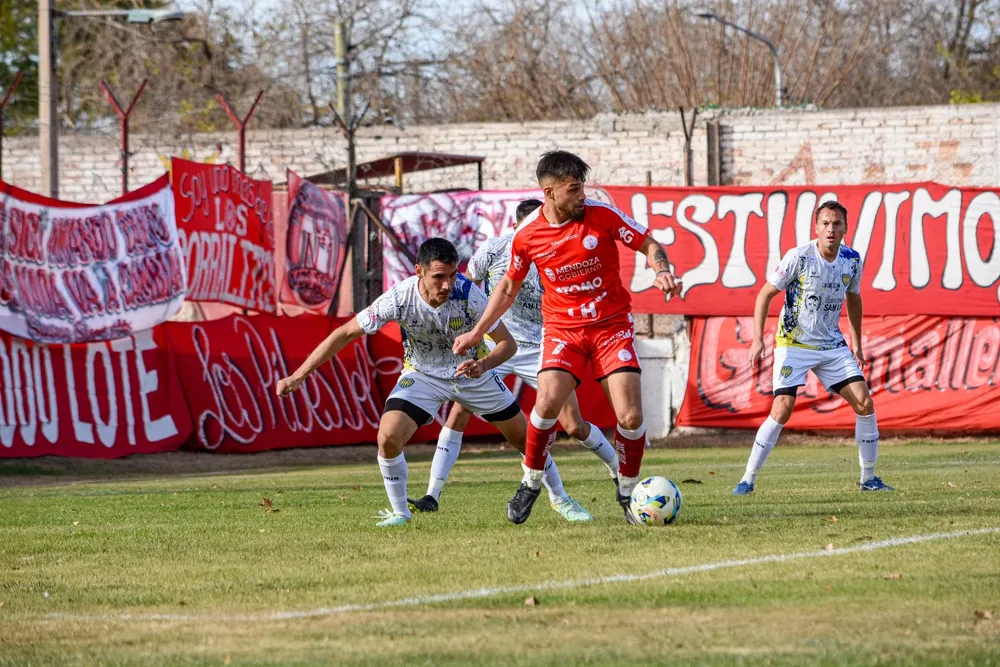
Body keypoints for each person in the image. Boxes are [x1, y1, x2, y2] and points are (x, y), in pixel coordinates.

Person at [277, 238, 580, 526]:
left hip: (472, 375)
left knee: (526, 441)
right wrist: (299, 374)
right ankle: (400, 514)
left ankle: (561, 499)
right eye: (438, 277)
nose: (447, 284)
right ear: (418, 271)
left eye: (451, 275)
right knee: (388, 438)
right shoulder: (399, 297)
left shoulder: (468, 294)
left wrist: (482, 365)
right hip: (422, 375)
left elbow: (507, 345)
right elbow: (344, 333)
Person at [453, 151, 682, 525]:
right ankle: (529, 483)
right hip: (562, 330)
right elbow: (507, 286)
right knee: (545, 406)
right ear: (549, 191)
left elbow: (649, 243)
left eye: (582, 187)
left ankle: (627, 490)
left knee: (630, 415)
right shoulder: (527, 235)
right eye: (573, 189)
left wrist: (663, 270)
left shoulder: (601, 215)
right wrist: (477, 332)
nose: (581, 196)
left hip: (611, 326)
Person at [408, 199, 618, 521]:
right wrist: (469, 329)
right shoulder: (494, 250)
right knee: (461, 408)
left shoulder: (559, 252)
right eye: (531, 227)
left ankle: (618, 469)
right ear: (518, 226)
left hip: (542, 346)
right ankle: (432, 495)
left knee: (573, 425)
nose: (537, 234)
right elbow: (464, 284)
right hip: (498, 343)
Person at [733, 201, 894, 495]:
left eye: (837, 224)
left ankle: (868, 479)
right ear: (816, 227)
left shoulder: (851, 259)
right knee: (782, 409)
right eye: (825, 224)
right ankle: (748, 478)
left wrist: (856, 341)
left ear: (845, 228)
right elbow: (764, 295)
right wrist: (758, 338)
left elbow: (854, 299)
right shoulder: (799, 257)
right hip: (794, 343)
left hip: (831, 344)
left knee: (865, 403)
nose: (831, 229)